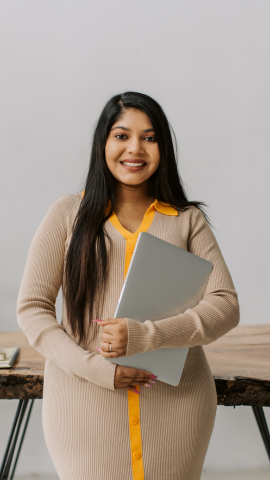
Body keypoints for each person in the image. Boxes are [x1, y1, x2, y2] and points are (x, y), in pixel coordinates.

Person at [17, 91, 240, 480]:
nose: (135, 148)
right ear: (103, 142)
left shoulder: (187, 221)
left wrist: (145, 335)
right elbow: (33, 309)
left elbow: (225, 305)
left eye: (149, 137)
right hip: (84, 404)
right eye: (122, 135)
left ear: (162, 148)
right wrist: (96, 369)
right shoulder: (67, 214)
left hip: (178, 406)